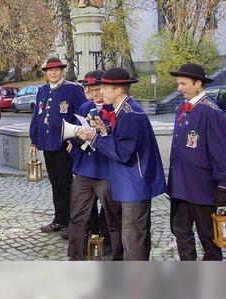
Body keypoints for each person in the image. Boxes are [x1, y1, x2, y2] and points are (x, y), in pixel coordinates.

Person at [78, 67, 166, 261]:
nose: (101, 92)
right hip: (130, 185)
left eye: (105, 88)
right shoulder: (125, 110)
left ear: (118, 90)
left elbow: (123, 152)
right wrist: (104, 130)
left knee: (133, 238)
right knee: (132, 236)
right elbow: (123, 143)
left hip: (134, 185)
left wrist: (94, 138)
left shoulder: (130, 113)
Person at [167, 63, 226, 261]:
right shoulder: (182, 107)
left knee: (209, 238)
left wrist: (224, 184)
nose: (179, 88)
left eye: (183, 84)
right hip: (181, 186)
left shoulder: (211, 112)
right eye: (178, 83)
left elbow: (224, 152)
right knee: (181, 232)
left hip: (203, 188)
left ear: (198, 84)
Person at [66, 70, 123, 260]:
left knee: (113, 217)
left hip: (105, 171)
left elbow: (119, 142)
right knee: (78, 217)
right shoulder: (84, 107)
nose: (95, 93)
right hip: (84, 169)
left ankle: (116, 257)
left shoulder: (115, 108)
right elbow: (74, 134)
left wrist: (100, 134)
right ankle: (76, 257)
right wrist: (76, 137)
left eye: (98, 89)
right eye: (90, 89)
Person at [30, 56, 87, 234]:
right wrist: (34, 140)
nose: (53, 73)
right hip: (48, 143)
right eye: (49, 70)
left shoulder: (73, 89)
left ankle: (72, 222)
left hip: (65, 144)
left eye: (56, 69)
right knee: (55, 183)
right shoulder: (43, 90)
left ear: (61, 71)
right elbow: (37, 116)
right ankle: (59, 219)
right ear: (46, 73)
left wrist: (74, 139)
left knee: (66, 183)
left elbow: (81, 115)